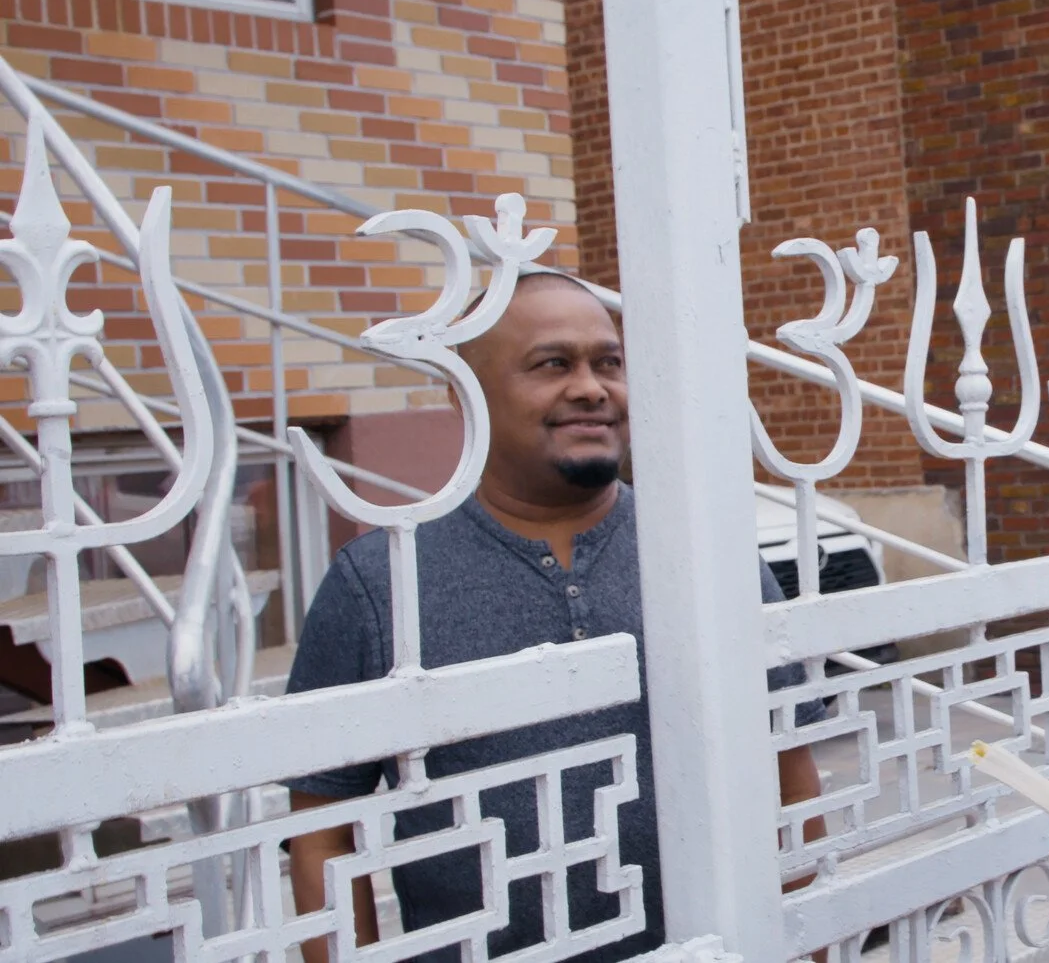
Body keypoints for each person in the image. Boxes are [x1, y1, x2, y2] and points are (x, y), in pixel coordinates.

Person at [284, 272, 828, 963]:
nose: (592, 388)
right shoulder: (377, 582)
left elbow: (789, 768)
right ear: (467, 392)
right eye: (553, 364)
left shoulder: (707, 556)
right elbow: (323, 831)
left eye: (609, 362)